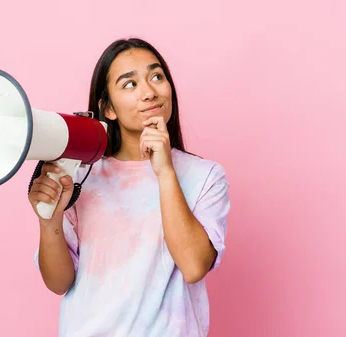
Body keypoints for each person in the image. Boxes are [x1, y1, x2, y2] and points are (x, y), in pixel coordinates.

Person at [29, 37, 231, 337]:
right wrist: (50, 221)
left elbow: (193, 266)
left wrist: (165, 172)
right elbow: (59, 282)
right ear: (107, 108)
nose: (149, 92)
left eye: (156, 77)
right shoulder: (84, 176)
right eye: (129, 84)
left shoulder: (206, 176)